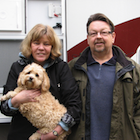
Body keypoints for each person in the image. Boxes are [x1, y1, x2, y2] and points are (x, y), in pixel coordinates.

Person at [0, 24, 81, 140]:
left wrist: (55, 132)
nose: (41, 48)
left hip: (52, 134)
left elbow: (75, 106)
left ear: (52, 47)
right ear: (30, 45)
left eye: (46, 44)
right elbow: (4, 108)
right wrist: (17, 99)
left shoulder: (61, 68)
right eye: (36, 43)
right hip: (20, 135)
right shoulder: (18, 67)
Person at [68, 13, 140, 140]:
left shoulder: (131, 69)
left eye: (104, 32)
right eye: (93, 33)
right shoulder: (73, 68)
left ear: (113, 36)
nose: (98, 37)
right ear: (88, 38)